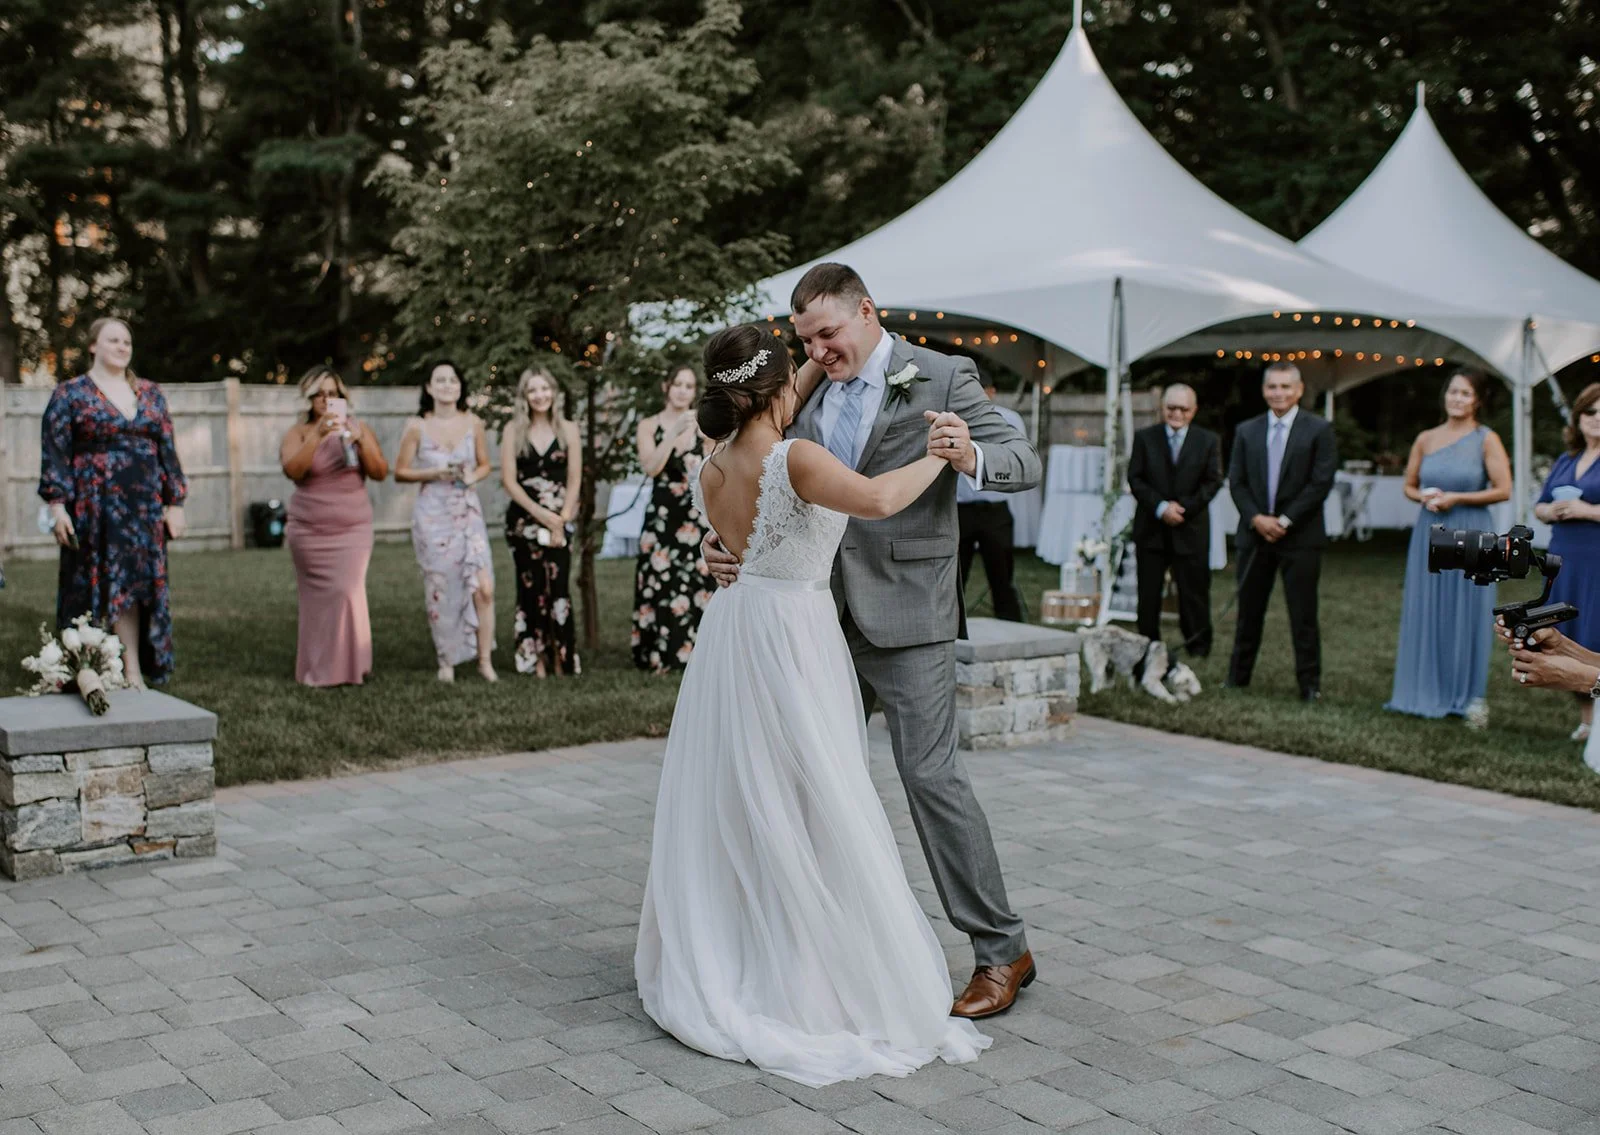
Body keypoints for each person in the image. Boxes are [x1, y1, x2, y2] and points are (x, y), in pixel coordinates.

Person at [636, 324, 991, 1086]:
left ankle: (744, 946)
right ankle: (804, 968)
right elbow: (877, 497)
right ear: (771, 388)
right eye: (794, 366)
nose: (806, 373)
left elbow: (744, 533)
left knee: (750, 796)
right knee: (815, 797)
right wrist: (942, 452)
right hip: (793, 635)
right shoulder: (794, 456)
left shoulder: (711, 464)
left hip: (735, 631)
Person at [702, 263, 1043, 1019]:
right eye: (806, 340)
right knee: (803, 779)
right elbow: (761, 475)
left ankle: (1000, 949)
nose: (820, 351)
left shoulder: (946, 375)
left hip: (911, 615)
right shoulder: (805, 385)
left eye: (829, 333)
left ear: (866, 311)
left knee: (929, 778)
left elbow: (1023, 461)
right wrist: (725, 544)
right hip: (816, 617)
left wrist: (967, 453)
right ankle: (815, 947)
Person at [39, 318, 187, 688]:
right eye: (113, 340)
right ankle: (92, 667)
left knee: (137, 586)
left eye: (127, 340)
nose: (123, 346)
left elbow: (167, 451)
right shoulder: (70, 393)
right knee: (93, 587)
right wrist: (57, 506)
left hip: (143, 508)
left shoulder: (151, 393)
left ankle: (132, 669)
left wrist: (175, 504)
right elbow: (55, 453)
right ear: (93, 346)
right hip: (93, 506)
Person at [1386, 370, 1511, 724]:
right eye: (1453, 392)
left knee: (1467, 610)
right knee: (1430, 607)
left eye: (1465, 393)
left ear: (1477, 401)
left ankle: (1469, 696)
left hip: (1472, 530)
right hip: (1431, 530)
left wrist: (1457, 498)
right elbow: (1409, 485)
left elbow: (1504, 489)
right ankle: (1425, 689)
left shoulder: (1486, 439)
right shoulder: (1426, 438)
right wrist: (1422, 496)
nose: (1457, 398)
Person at [1226, 361, 1338, 701]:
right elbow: (1237, 482)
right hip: (1254, 535)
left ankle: (1309, 685)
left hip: (1300, 537)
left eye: (1286, 387)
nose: (1279, 393)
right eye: (1273, 386)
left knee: (1303, 614)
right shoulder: (1246, 430)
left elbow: (1320, 482)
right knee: (1248, 612)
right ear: (1264, 390)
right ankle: (1237, 679)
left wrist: (1285, 520)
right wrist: (1257, 519)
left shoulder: (1318, 429)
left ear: (1299, 390)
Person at [280, 365, 390, 687]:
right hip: (310, 530)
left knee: (347, 591)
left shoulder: (359, 427)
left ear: (343, 397)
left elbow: (380, 471)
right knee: (316, 601)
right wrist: (318, 434)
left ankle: (351, 666)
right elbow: (294, 471)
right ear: (309, 399)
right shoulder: (297, 432)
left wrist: (360, 442)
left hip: (352, 528)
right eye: (320, 395)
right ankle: (318, 669)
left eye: (333, 394)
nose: (327, 400)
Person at [394, 361, 497, 683]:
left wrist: (471, 476)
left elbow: (485, 465)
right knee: (442, 588)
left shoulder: (473, 422)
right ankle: (447, 661)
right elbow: (400, 471)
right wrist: (434, 473)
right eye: (440, 380)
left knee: (484, 589)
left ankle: (484, 660)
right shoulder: (416, 427)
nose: (447, 385)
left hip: (468, 513)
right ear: (429, 388)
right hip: (433, 517)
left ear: (460, 387)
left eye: (452, 380)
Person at [1127, 383, 1223, 659]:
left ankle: (1198, 646)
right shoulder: (1145, 438)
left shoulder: (1207, 440)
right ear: (1163, 408)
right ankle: (1147, 646)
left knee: (1194, 591)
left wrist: (1184, 509)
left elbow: (1213, 480)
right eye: (1171, 407)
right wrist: (1160, 507)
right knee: (1148, 593)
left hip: (1190, 528)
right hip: (1152, 528)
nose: (1177, 413)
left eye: (1183, 408)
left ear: (1193, 411)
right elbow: (1136, 478)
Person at [632, 365, 715, 672]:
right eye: (677, 384)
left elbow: (713, 466)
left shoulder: (702, 424)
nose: (682, 390)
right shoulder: (648, 425)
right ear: (666, 387)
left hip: (694, 515)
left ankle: (698, 653)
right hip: (662, 515)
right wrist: (672, 432)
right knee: (660, 581)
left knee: (698, 580)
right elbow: (651, 467)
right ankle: (659, 655)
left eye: (689, 386)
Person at [501, 367, 581, 677]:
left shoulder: (569, 429)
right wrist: (541, 514)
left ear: (554, 392)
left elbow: (574, 478)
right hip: (525, 520)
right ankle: (535, 660)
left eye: (545, 389)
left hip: (561, 519)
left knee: (559, 587)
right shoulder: (513, 431)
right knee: (530, 587)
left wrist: (561, 518)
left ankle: (562, 656)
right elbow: (509, 481)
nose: (540, 396)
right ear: (524, 396)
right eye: (533, 390)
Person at [1533, 381, 1600, 741]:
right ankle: (1588, 719)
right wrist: (1550, 512)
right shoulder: (1566, 459)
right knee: (1569, 632)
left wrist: (1588, 511)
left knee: (1595, 633)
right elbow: (1540, 504)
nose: (1597, 418)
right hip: (1564, 559)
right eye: (1591, 410)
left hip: (1598, 558)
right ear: (1578, 416)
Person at [956, 384, 1027, 622]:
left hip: (995, 509)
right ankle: (949, 630)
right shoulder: (953, 418)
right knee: (954, 576)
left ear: (991, 392)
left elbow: (1020, 459)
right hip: (960, 509)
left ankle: (1010, 627)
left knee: (1002, 575)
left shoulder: (1009, 419)